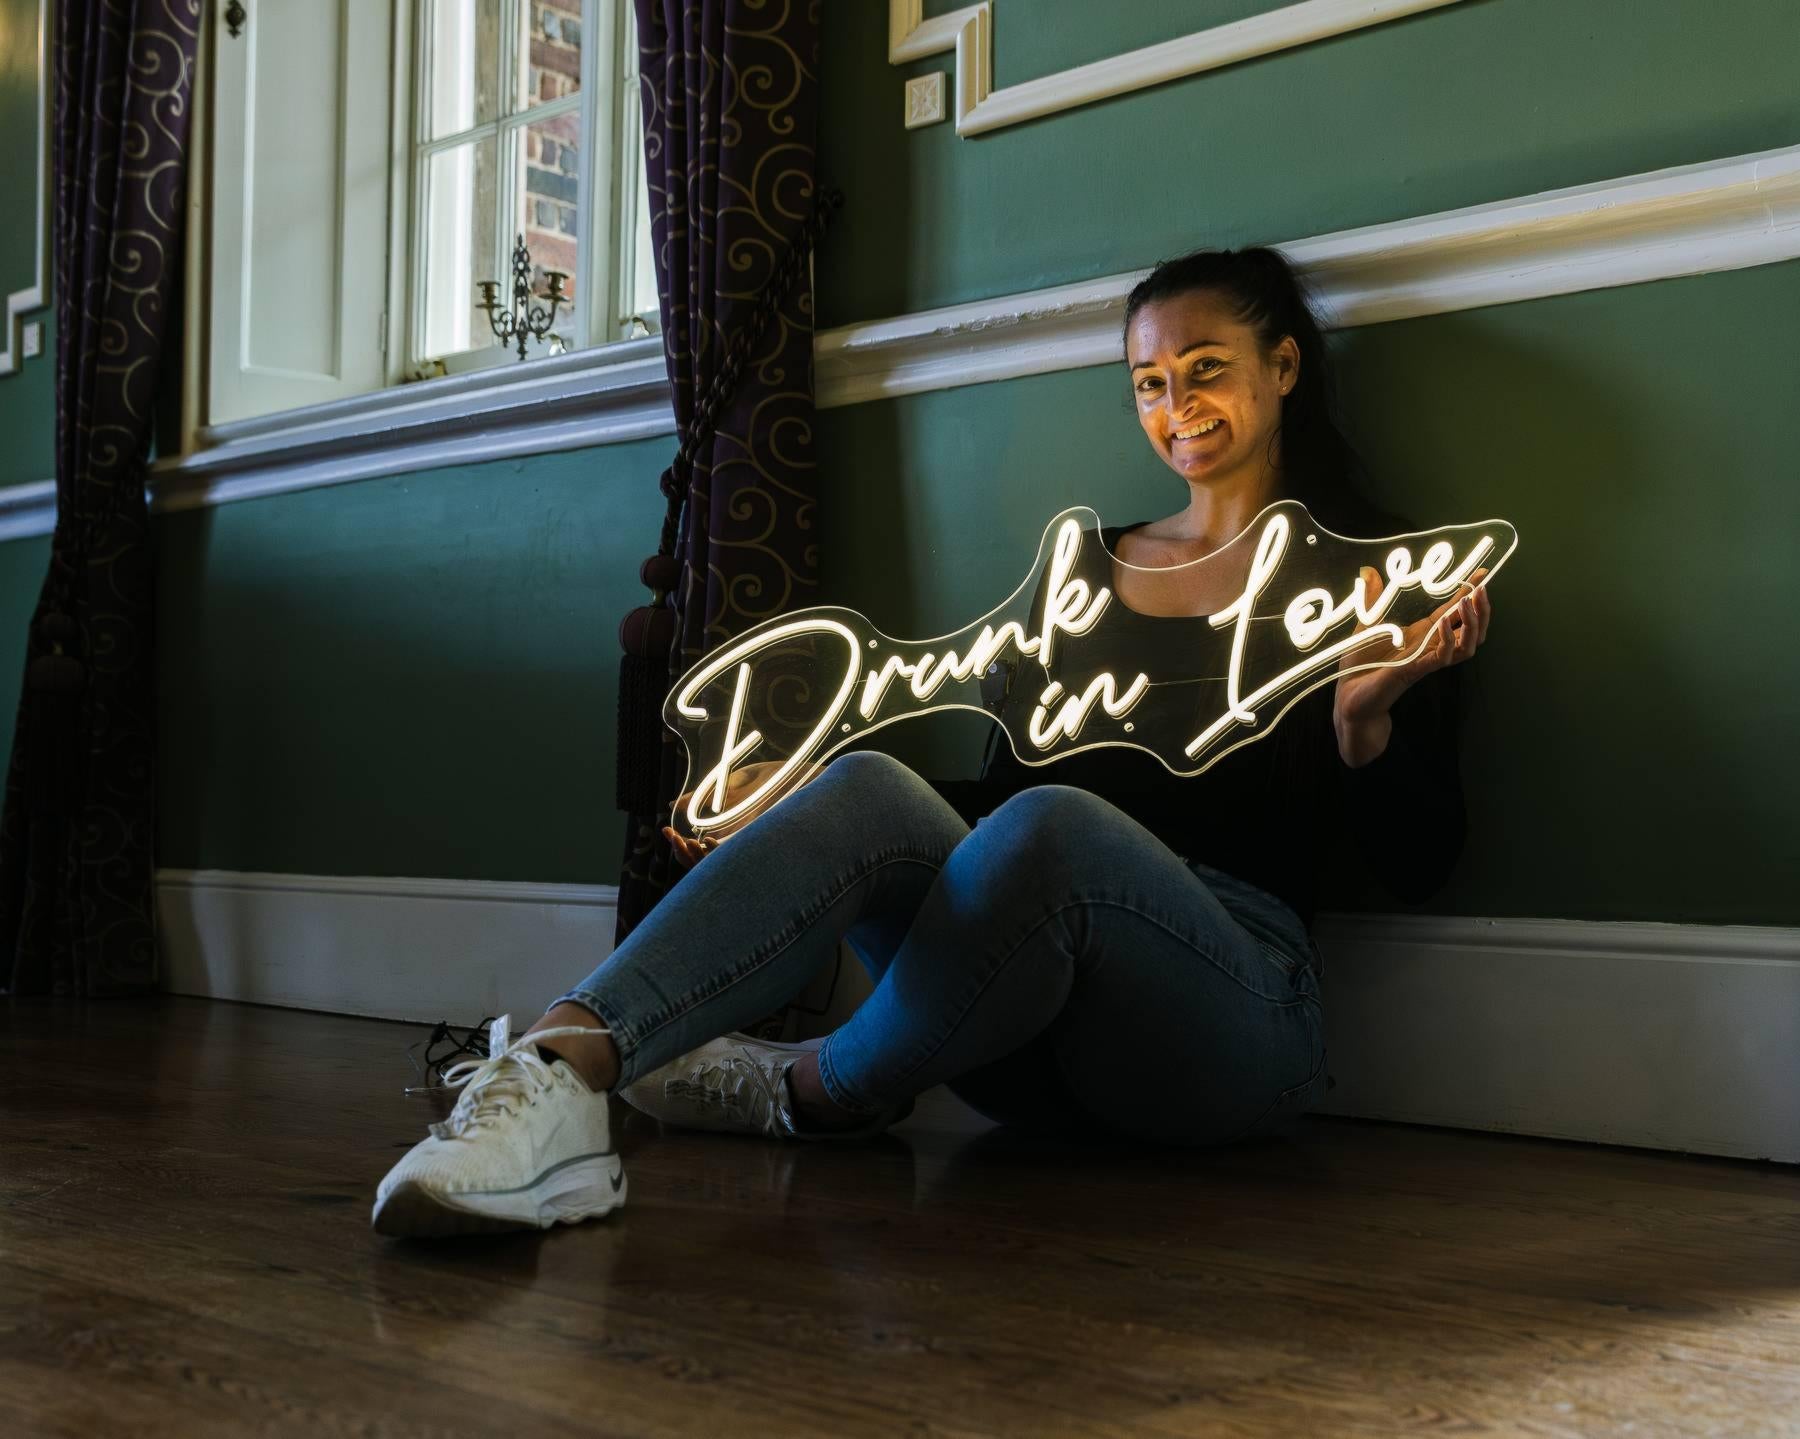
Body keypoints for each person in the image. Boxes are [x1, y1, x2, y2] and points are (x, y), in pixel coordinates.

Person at [371, 247, 1493, 1239]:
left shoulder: (1375, 583)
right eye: (1150, 382)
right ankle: (560, 1071)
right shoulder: (1086, 572)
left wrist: (1362, 720)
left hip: (1228, 1026)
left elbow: (1418, 864)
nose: (1176, 404)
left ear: (1282, 367)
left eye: (1206, 367)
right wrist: (806, 801)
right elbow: (996, 821)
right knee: (867, 781)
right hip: (1021, 1043)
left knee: (1052, 827)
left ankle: (800, 1087)